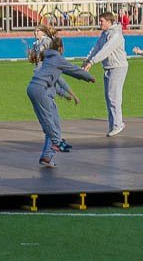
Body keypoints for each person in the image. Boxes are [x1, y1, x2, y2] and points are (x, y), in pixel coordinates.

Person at [27, 29, 93, 168]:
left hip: (33, 89)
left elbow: (56, 82)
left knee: (50, 123)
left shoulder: (48, 60)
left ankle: (47, 155)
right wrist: (88, 77)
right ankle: (56, 144)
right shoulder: (56, 59)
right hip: (41, 92)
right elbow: (72, 70)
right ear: (61, 48)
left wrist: (67, 94)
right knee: (51, 123)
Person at [82, 12, 128, 137]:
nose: (100, 23)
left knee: (114, 97)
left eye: (101, 21)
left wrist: (92, 62)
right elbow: (96, 48)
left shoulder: (116, 34)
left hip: (117, 67)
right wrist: (87, 59)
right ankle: (113, 124)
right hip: (108, 68)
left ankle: (118, 124)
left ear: (109, 21)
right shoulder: (104, 34)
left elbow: (105, 50)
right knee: (109, 97)